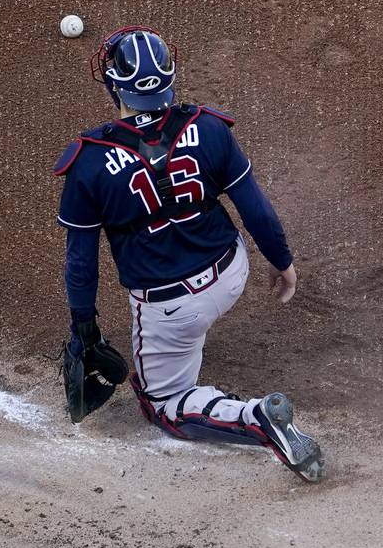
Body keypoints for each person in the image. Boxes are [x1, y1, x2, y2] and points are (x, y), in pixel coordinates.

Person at [53, 25, 324, 483]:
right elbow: (255, 208)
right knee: (199, 303)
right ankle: (191, 342)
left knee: (164, 407)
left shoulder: (89, 162)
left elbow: (81, 263)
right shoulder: (209, 127)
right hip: (230, 272)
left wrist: (85, 327)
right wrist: (282, 263)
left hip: (172, 307)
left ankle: (259, 420)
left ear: (114, 83)